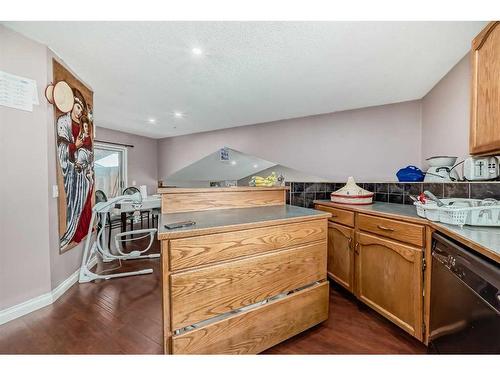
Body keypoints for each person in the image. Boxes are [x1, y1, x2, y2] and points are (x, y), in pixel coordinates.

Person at [56, 88, 94, 250]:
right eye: (78, 107)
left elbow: (90, 149)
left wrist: (88, 163)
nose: (79, 112)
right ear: (71, 105)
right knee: (74, 203)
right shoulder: (63, 122)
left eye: (81, 109)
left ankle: (85, 228)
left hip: (85, 172)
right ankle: (74, 231)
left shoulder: (83, 127)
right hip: (73, 173)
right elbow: (62, 147)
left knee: (86, 201)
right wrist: (74, 146)